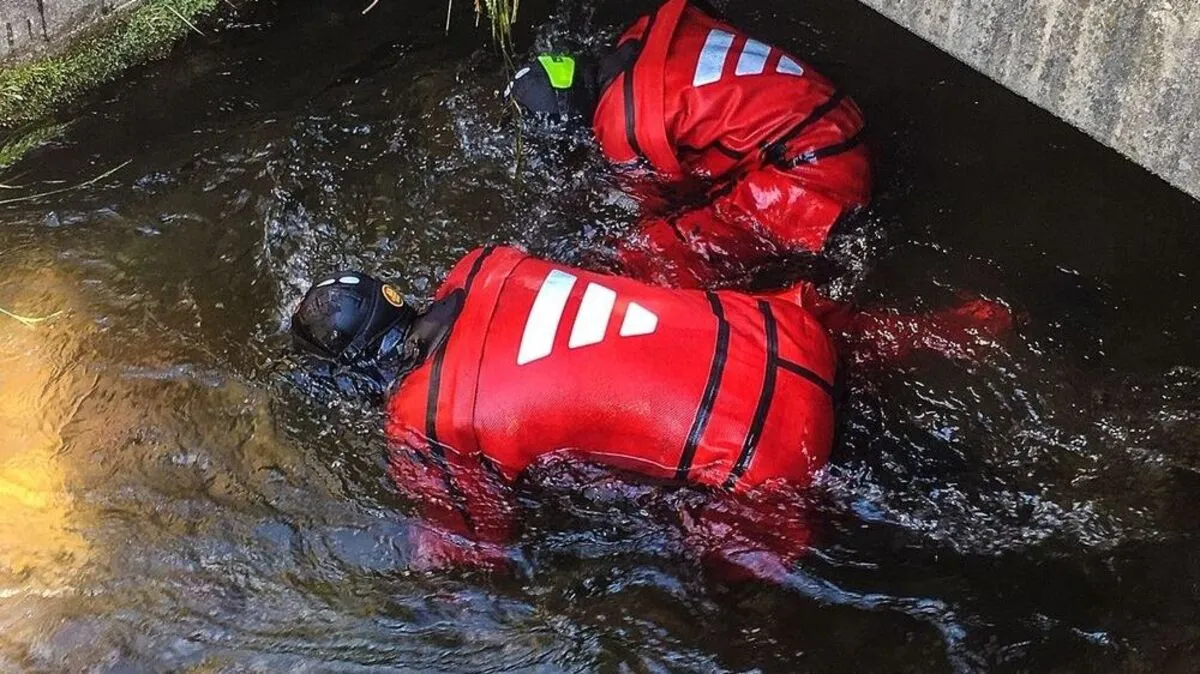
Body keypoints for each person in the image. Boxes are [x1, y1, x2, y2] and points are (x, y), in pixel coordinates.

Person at [290, 246, 1011, 581]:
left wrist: (423, 568)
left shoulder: (421, 420)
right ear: (396, 297)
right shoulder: (485, 263)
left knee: (720, 573)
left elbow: (478, 549)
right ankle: (959, 328)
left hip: (767, 456)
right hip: (784, 333)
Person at [505, 0, 871, 288]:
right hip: (835, 108)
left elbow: (663, 201)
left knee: (646, 254)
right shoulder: (641, 33)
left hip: (823, 164)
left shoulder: (624, 126)